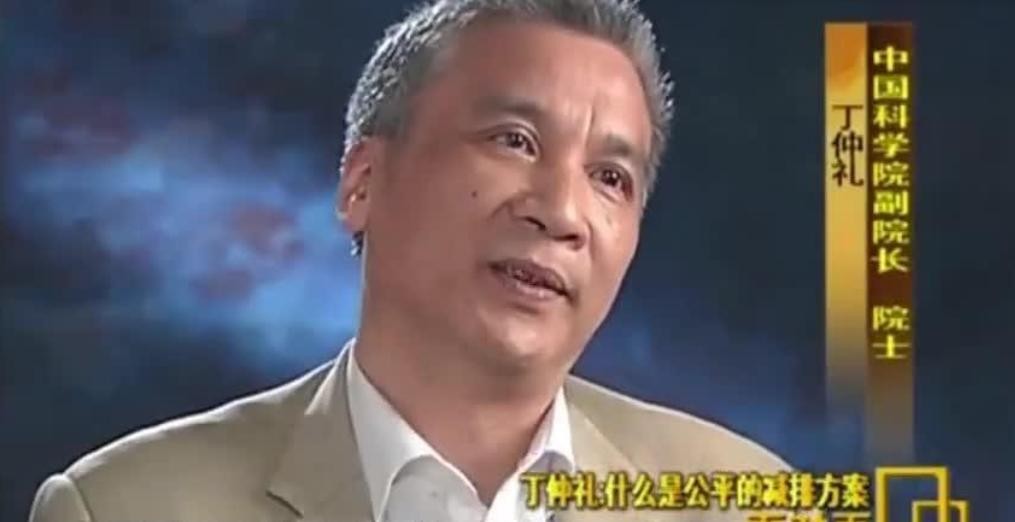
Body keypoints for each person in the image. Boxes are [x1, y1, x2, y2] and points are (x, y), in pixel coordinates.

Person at [30, 0, 796, 521]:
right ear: (362, 183)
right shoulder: (124, 507)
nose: (561, 213)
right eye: (513, 141)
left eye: (610, 178)